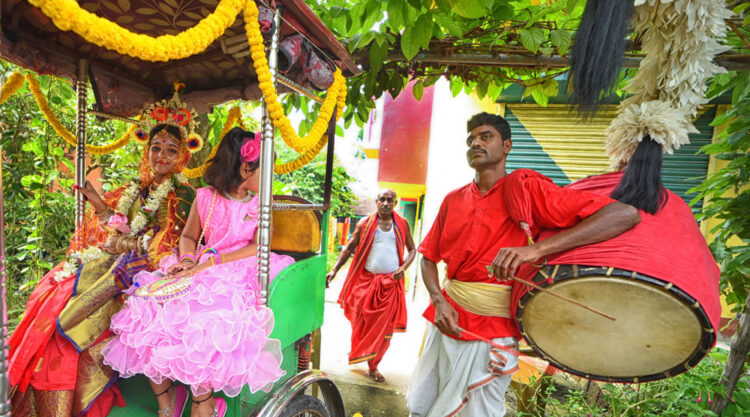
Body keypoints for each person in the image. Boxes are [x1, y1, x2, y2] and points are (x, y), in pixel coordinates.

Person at [405, 112, 641, 417]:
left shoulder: (526, 191)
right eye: (471, 139)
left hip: (494, 326)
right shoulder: (453, 199)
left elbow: (624, 215)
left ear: (507, 146)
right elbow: (428, 257)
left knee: (480, 411)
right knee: (426, 402)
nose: (475, 142)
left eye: (485, 136)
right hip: (446, 317)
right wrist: (438, 299)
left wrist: (536, 250)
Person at [9, 122, 197, 417]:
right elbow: (121, 224)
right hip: (117, 263)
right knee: (55, 291)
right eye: (155, 149)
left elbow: (164, 243)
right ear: (146, 152)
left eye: (171, 151)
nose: (161, 156)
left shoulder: (184, 195)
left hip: (150, 270)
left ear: (183, 156)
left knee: (77, 320)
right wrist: (98, 204)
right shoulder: (138, 190)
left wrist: (123, 245)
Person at [102, 127, 293, 417]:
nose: (270, 178)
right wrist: (189, 260)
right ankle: (167, 401)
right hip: (201, 267)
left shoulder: (259, 204)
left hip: (238, 270)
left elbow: (259, 247)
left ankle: (203, 402)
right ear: (245, 169)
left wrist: (216, 262)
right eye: (265, 171)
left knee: (203, 325)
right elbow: (189, 237)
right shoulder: (205, 197)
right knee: (145, 310)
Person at [326, 189, 417, 383]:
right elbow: (350, 246)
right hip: (365, 282)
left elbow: (412, 250)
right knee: (361, 321)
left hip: (390, 285)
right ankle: (362, 352)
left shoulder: (402, 224)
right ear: (376, 202)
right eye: (382, 199)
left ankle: (373, 366)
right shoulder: (365, 223)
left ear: (395, 203)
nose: (385, 203)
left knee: (384, 330)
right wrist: (334, 270)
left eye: (390, 200)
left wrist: (404, 268)